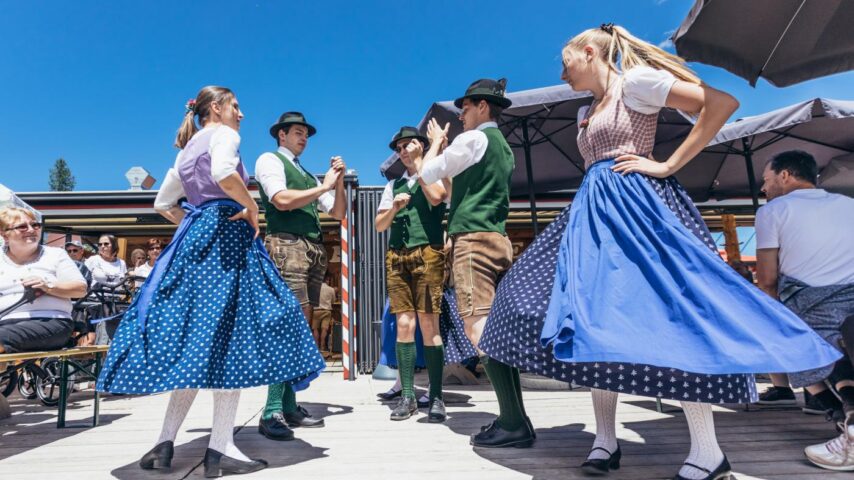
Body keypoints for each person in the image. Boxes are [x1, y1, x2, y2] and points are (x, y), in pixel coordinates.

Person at [478, 24, 840, 479]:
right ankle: (605, 440)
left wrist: (668, 164)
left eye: (565, 62)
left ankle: (708, 453)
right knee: (589, 319)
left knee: (674, 319)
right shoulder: (585, 110)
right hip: (593, 215)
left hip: (638, 212)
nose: (562, 73)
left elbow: (721, 104)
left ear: (589, 52)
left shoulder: (636, 82)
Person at [96, 86, 325, 477]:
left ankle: (165, 443)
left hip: (195, 241)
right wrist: (249, 208)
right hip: (228, 240)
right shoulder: (224, 134)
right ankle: (220, 448)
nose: (241, 114)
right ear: (216, 108)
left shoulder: (186, 149)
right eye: (236, 106)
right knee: (234, 339)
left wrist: (198, 220)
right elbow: (223, 173)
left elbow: (162, 203)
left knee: (199, 346)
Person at [413, 78, 527, 446]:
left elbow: (426, 175)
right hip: (498, 239)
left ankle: (512, 422)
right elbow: (454, 191)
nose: (460, 115)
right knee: (495, 331)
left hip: (472, 243)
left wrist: (432, 146)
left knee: (478, 327)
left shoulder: (473, 139)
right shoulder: (502, 147)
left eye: (464, 108)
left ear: (482, 106)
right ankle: (516, 417)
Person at [754, 150, 854, 470]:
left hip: (809, 300)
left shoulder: (772, 211)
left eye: (766, 180)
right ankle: (844, 422)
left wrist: (772, 317)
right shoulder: (848, 205)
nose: (763, 188)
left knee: (797, 351)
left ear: (785, 175)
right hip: (851, 298)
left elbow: (767, 279)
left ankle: (846, 424)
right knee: (833, 353)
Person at [253, 111, 346, 438]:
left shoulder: (305, 174)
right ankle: (271, 411)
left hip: (311, 250)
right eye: (297, 132)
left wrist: (339, 181)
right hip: (287, 245)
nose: (303, 137)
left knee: (299, 328)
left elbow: (338, 212)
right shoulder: (270, 160)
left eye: (305, 133)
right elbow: (280, 200)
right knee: (287, 326)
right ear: (281, 135)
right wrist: (325, 185)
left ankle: (288, 405)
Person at [375, 126, 449, 422]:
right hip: (397, 257)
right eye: (399, 148)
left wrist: (421, 165)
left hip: (428, 252)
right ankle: (407, 396)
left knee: (429, 324)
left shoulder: (434, 172)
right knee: (404, 324)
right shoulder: (393, 186)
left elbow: (437, 197)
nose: (403, 151)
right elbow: (379, 225)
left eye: (408, 145)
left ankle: (436, 396)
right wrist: (393, 208)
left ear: (421, 146)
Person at [0, 207, 87, 353]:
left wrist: (48, 286)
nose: (31, 230)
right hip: (4, 322)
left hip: (51, 322)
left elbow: (80, 289)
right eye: (22, 227)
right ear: (5, 235)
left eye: (35, 225)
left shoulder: (55, 254)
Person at [313, 274, 336, 352]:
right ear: (327, 280)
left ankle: (316, 348)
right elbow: (333, 301)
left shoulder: (314, 289)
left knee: (315, 329)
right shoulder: (331, 289)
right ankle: (322, 347)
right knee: (324, 329)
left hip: (316, 310)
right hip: (327, 311)